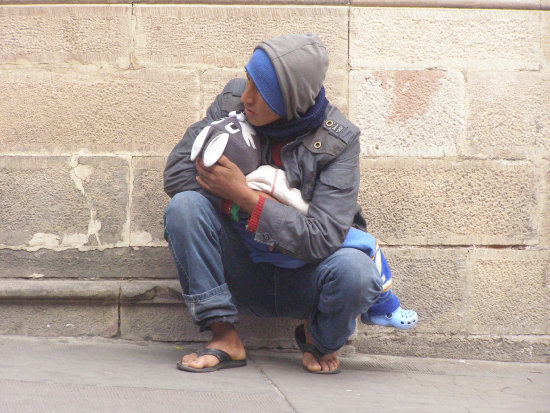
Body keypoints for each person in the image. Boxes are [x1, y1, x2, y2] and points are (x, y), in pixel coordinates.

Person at [164, 33, 407, 374]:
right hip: (241, 269)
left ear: (289, 99)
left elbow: (323, 237)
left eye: (260, 91)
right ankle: (224, 337)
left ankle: (317, 338)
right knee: (185, 207)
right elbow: (176, 176)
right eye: (249, 79)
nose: (247, 97)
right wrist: (237, 192)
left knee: (357, 272)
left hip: (308, 280)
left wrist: (245, 197)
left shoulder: (339, 140)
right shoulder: (231, 102)